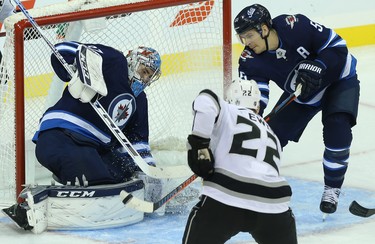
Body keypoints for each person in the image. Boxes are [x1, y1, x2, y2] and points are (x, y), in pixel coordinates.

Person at [2, 41, 163, 232]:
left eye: (149, 76)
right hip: (59, 137)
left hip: (90, 149)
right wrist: (75, 71)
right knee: (104, 187)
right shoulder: (114, 60)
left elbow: (136, 145)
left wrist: (151, 174)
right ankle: (31, 204)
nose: (144, 79)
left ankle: (78, 178)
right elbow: (63, 49)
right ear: (132, 61)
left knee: (123, 175)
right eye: (143, 70)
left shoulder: (139, 100)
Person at [233, 4, 360, 215]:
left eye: (249, 35)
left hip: (338, 80)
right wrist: (251, 116)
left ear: (264, 29)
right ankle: (253, 186)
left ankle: (332, 189)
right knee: (268, 139)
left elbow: (338, 46)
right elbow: (257, 96)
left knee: (337, 126)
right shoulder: (250, 61)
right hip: (302, 94)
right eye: (242, 37)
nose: (246, 42)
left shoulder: (295, 26)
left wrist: (320, 64)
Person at [182, 79, 297, 244]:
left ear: (229, 99)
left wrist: (199, 144)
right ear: (257, 107)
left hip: (226, 195)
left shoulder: (228, 109)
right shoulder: (271, 134)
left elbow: (206, 99)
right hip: (274, 204)